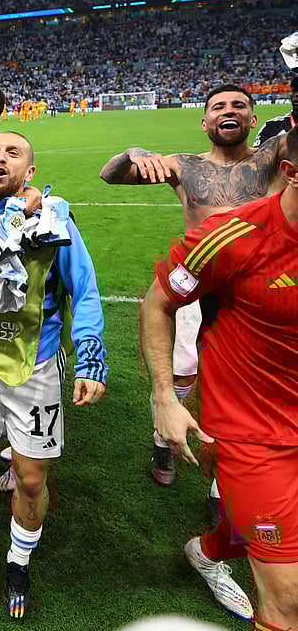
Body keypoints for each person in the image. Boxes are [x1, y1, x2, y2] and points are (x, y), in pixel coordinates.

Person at [0, 132, 108, 619]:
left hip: (34, 366)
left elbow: (86, 288)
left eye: (14, 154)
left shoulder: (52, 216)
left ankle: (18, 559)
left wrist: (91, 357)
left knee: (30, 478)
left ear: (29, 173)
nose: (1, 158)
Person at [142, 125, 298, 629]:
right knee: (289, 604)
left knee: (249, 522)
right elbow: (159, 302)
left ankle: (207, 550)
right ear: (290, 175)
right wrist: (165, 397)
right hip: (259, 436)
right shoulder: (235, 236)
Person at [100, 84, 288, 492]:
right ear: (204, 122)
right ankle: (162, 441)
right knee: (181, 372)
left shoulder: (274, 155)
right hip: (197, 283)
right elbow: (111, 175)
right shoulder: (184, 165)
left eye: (239, 105)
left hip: (258, 288)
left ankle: (228, 480)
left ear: (253, 120)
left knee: (246, 384)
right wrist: (132, 152)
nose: (229, 111)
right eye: (218, 106)